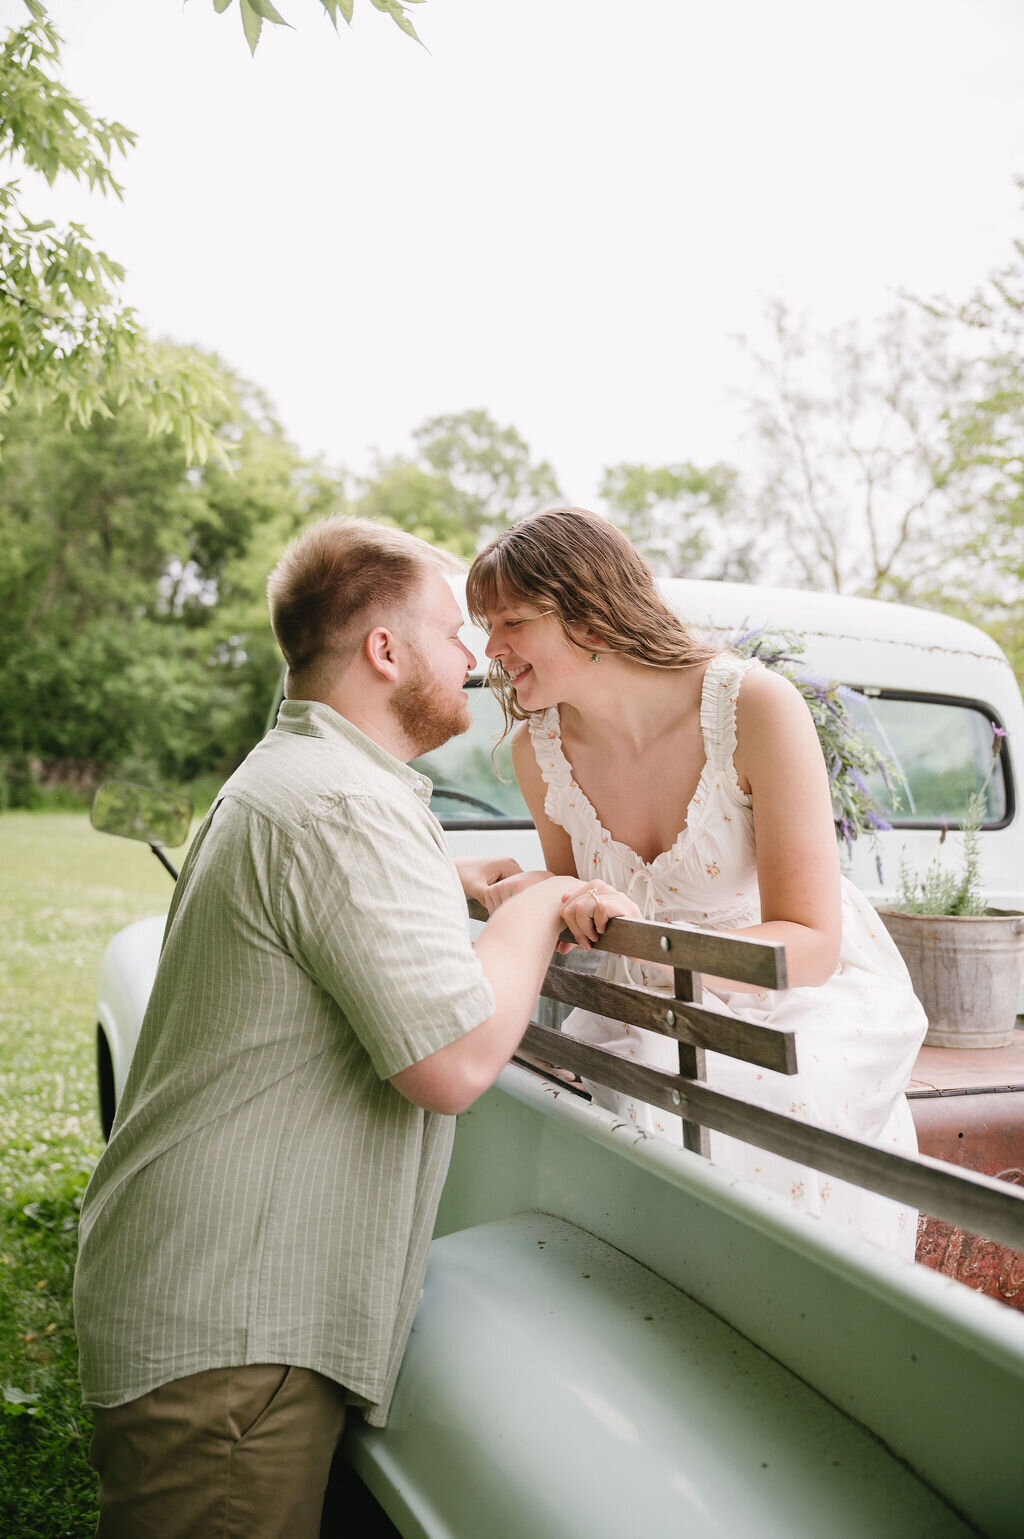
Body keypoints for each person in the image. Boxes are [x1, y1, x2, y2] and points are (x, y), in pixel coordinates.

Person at [73, 516, 603, 1539]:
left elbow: (306, 906)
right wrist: (541, 905)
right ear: (385, 651)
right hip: (224, 1338)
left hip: (211, 1304)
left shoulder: (305, 781)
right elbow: (448, 1062)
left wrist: (437, 883)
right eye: (453, 633)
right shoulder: (339, 808)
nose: (475, 658)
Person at [465, 506, 928, 1257]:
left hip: (792, 995)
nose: (490, 647)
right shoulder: (535, 748)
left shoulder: (755, 706)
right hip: (648, 1007)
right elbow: (576, 902)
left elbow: (809, 942)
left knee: (778, 1104)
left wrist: (656, 951)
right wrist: (563, 903)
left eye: (509, 620)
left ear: (589, 616)